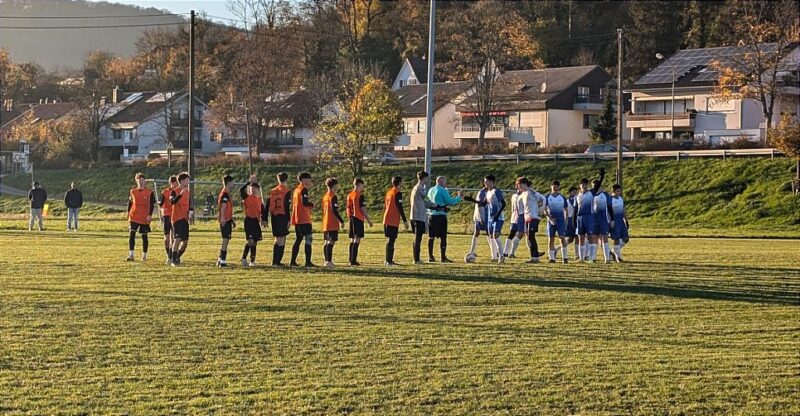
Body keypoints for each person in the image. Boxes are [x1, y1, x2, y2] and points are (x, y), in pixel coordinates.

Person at [426, 176, 463, 263]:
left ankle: (430, 256)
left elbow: (428, 201)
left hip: (431, 216)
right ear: (441, 182)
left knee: (431, 237)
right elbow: (451, 201)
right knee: (443, 237)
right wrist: (459, 197)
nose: (445, 183)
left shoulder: (431, 190)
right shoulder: (442, 190)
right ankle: (443, 257)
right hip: (440, 216)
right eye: (445, 182)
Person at [409, 171, 439, 265]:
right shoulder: (419, 188)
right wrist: (434, 204)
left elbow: (424, 202)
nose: (428, 180)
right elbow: (425, 196)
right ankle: (416, 259)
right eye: (427, 178)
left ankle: (417, 258)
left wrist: (434, 206)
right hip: (418, 216)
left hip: (415, 215)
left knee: (418, 238)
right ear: (424, 178)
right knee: (418, 238)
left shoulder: (416, 188)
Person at [576, 168, 605, 262]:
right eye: (582, 184)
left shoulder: (591, 193)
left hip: (589, 217)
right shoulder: (578, 195)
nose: (584, 186)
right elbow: (576, 207)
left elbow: (598, 185)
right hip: (580, 217)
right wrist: (573, 220)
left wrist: (602, 176)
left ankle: (591, 258)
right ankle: (581, 258)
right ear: (580, 185)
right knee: (581, 237)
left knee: (590, 236)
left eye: (585, 184)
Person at [126, 173, 155, 261]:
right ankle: (131, 255)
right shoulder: (133, 191)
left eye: (142, 180)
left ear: (144, 181)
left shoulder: (150, 193)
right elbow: (130, 202)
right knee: (132, 234)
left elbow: (152, 204)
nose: (141, 182)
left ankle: (144, 255)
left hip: (144, 216)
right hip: (134, 215)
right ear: (136, 181)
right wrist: (128, 212)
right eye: (139, 180)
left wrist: (149, 215)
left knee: (144, 236)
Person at [266, 172, 292, 266]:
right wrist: (289, 220)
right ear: (286, 179)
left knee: (277, 239)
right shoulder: (286, 191)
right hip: (282, 215)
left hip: (274, 216)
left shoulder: (273, 191)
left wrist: (265, 217)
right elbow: (286, 206)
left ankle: (275, 261)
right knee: (282, 239)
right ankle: (277, 261)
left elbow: (267, 205)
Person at [346, 178, 373, 266]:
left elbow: (347, 207)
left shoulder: (350, 195)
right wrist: (369, 220)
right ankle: (353, 260)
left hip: (351, 218)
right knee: (357, 239)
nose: (363, 187)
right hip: (358, 217)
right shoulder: (360, 195)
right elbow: (362, 209)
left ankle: (350, 259)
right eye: (362, 185)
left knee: (352, 239)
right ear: (359, 185)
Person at [290, 172, 315, 267]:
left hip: (297, 218)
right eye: (309, 179)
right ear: (304, 179)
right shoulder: (303, 189)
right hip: (304, 218)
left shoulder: (296, 190)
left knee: (298, 239)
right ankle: (308, 262)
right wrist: (312, 205)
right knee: (308, 238)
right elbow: (305, 202)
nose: (310, 181)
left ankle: (292, 261)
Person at [383, 175, 409, 266]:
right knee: (391, 239)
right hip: (393, 218)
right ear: (399, 182)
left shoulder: (389, 192)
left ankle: (389, 259)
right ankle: (388, 261)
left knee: (390, 239)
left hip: (387, 217)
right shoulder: (397, 192)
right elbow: (399, 207)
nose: (403, 183)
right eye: (402, 181)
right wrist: (404, 220)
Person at [519, 177, 546, 263]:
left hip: (533, 217)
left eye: (519, 184)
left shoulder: (531, 192)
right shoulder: (523, 194)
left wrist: (540, 210)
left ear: (523, 184)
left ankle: (534, 257)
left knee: (531, 236)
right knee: (529, 237)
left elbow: (542, 199)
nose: (518, 186)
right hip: (527, 217)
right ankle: (534, 256)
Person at [169, 172, 193, 266]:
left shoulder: (188, 192)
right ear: (182, 181)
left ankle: (177, 256)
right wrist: (179, 195)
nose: (188, 182)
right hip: (177, 218)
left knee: (185, 242)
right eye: (187, 180)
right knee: (177, 239)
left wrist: (191, 211)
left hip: (185, 219)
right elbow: (172, 202)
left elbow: (190, 204)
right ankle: (174, 260)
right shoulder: (174, 191)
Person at [321, 178, 345, 267]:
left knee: (327, 241)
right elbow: (334, 210)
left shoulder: (325, 196)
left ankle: (326, 260)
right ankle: (328, 261)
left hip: (325, 222)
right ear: (334, 185)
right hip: (332, 221)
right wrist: (341, 220)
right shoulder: (333, 196)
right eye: (337, 185)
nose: (337, 186)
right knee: (331, 241)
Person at [240, 180, 265, 267]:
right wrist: (248, 183)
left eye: (255, 189)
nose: (253, 190)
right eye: (252, 189)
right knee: (250, 241)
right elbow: (241, 190)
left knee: (255, 242)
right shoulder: (247, 198)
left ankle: (252, 261)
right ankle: (243, 258)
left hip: (255, 222)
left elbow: (262, 212)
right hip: (249, 221)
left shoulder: (259, 200)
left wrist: (263, 220)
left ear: (258, 190)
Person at [544, 180, 569, 264]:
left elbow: (566, 210)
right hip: (551, 221)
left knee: (562, 238)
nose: (555, 187)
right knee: (551, 239)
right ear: (551, 187)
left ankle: (565, 258)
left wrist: (566, 221)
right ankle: (552, 258)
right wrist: (550, 218)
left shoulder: (562, 198)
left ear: (559, 187)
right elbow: (544, 210)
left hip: (560, 220)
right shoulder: (547, 197)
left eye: (556, 186)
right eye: (553, 186)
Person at [484, 175, 506, 263]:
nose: (485, 183)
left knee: (496, 235)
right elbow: (483, 203)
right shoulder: (488, 192)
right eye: (484, 181)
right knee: (491, 237)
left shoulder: (497, 191)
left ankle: (501, 255)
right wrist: (470, 199)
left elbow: (504, 204)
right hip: (490, 218)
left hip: (498, 217)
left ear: (491, 181)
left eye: (486, 181)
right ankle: (494, 256)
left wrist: (497, 215)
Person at [464, 183, 488, 260]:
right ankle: (472, 251)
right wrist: (481, 217)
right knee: (482, 233)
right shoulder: (482, 192)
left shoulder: (488, 191)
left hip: (482, 215)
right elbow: (479, 205)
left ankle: (495, 252)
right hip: (481, 216)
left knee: (487, 233)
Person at [216, 174, 235, 267]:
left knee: (226, 239)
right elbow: (223, 208)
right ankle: (222, 261)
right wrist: (223, 218)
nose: (233, 184)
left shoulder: (226, 193)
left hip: (227, 219)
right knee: (225, 239)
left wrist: (232, 220)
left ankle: (220, 259)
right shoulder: (225, 194)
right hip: (225, 219)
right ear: (228, 183)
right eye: (232, 182)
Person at [158, 176, 179, 264]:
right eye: (172, 182)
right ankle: (168, 254)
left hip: (175, 216)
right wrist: (161, 206)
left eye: (175, 182)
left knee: (173, 237)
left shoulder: (178, 192)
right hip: (167, 215)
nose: (173, 184)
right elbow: (161, 203)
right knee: (166, 238)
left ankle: (172, 255)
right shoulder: (165, 192)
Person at [593, 182, 613, 263]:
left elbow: (610, 207)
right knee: (594, 238)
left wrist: (612, 219)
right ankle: (593, 258)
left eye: (597, 186)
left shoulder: (605, 195)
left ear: (601, 187)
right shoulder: (591, 195)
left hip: (604, 220)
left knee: (604, 238)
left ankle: (607, 259)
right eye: (594, 187)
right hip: (593, 220)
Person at [502, 185, 524, 258]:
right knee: (519, 234)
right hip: (520, 217)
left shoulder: (514, 195)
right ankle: (511, 252)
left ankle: (505, 252)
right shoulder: (521, 196)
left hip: (513, 217)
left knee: (511, 234)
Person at [609, 184, 629, 262]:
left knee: (625, 239)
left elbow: (623, 210)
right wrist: (611, 221)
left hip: (621, 221)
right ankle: (618, 257)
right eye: (617, 191)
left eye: (620, 191)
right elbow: (609, 212)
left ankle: (613, 251)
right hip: (614, 221)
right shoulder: (610, 200)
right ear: (613, 191)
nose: (619, 192)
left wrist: (626, 220)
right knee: (616, 239)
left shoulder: (620, 199)